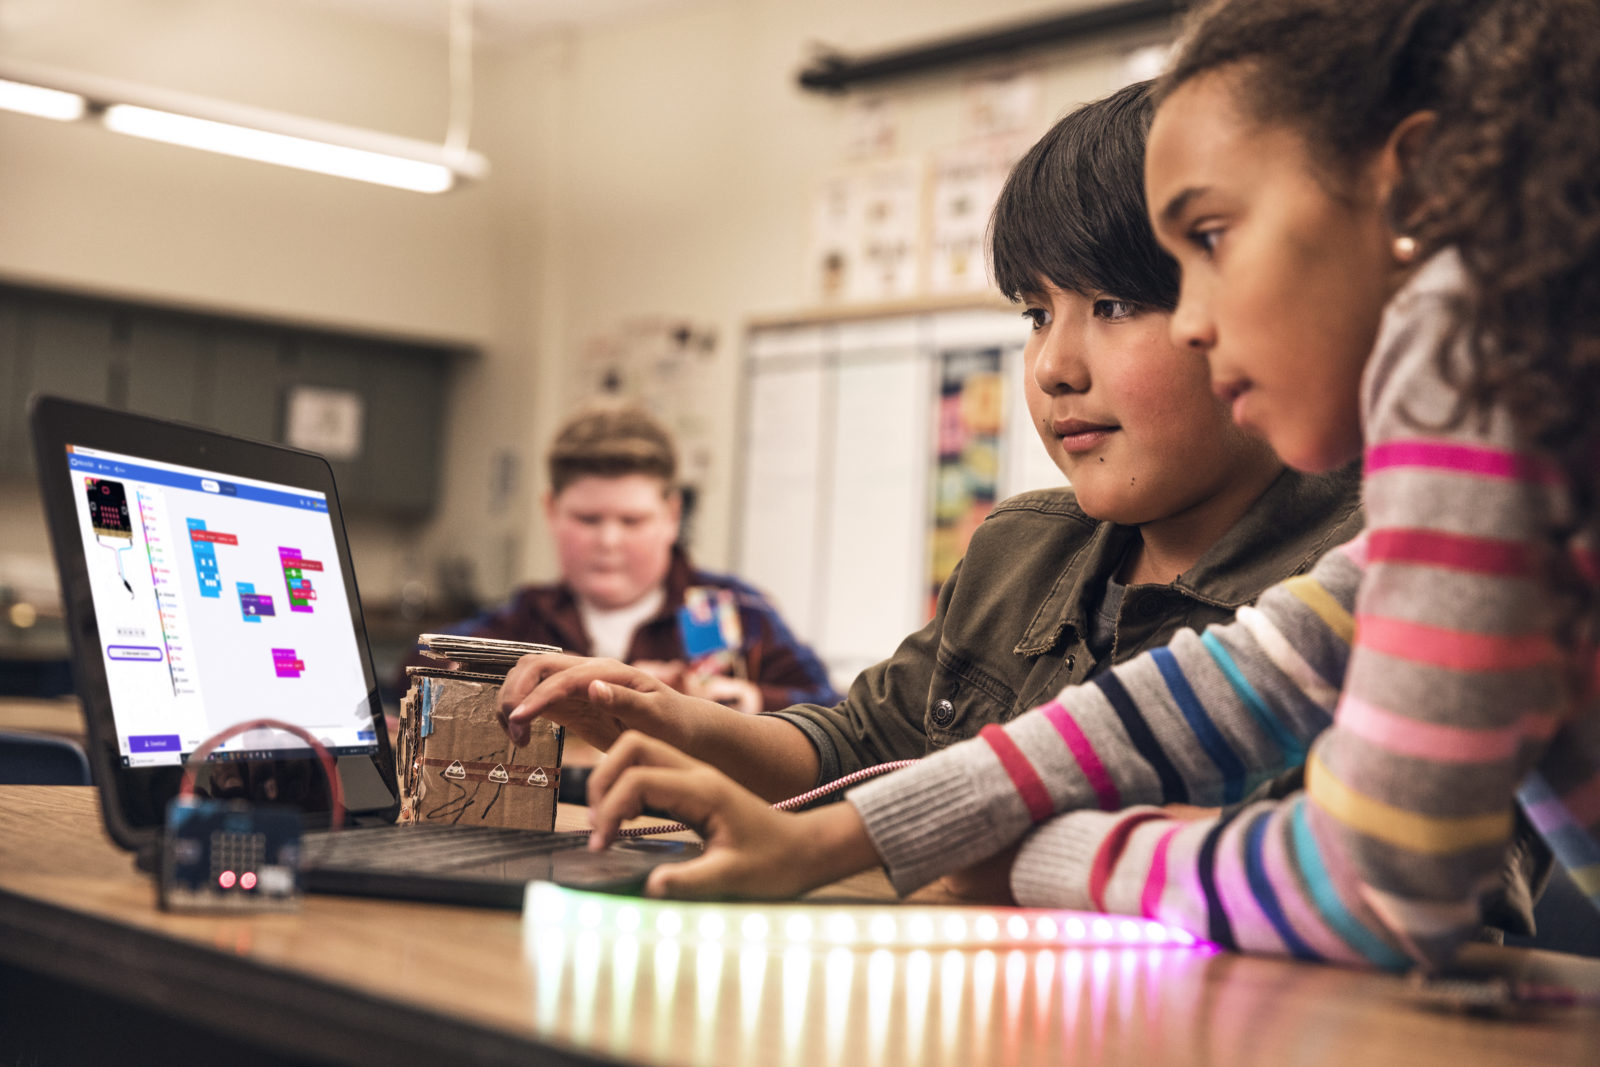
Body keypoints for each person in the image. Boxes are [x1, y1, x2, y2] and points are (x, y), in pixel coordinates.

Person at [579, 0, 1599, 971]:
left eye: (1198, 248)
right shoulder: (1471, 467)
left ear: (1410, 195)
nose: (1196, 321)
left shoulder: (1479, 392)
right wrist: (836, 839)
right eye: (1035, 313)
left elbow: (1378, 883)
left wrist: (1026, 857)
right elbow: (1219, 689)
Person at [502, 83, 1362, 807]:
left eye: (1114, 306)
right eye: (1036, 315)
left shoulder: (1377, 574)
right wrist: (663, 715)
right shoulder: (1019, 551)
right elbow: (856, 746)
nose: (1054, 367)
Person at [403, 401, 840, 744]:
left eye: (632, 521)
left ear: (671, 515)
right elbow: (411, 675)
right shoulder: (528, 618)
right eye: (588, 520)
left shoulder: (733, 613)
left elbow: (834, 715)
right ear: (551, 511)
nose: (608, 541)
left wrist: (752, 701)